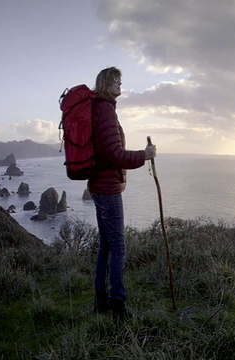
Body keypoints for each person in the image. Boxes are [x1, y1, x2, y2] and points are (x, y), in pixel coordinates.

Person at [89, 66, 156, 317]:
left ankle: (100, 303)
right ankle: (117, 305)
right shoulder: (105, 110)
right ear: (105, 83)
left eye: (120, 79)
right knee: (118, 248)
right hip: (107, 189)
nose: (120, 83)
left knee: (106, 246)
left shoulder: (100, 109)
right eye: (115, 79)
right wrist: (144, 155)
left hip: (98, 186)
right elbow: (114, 154)